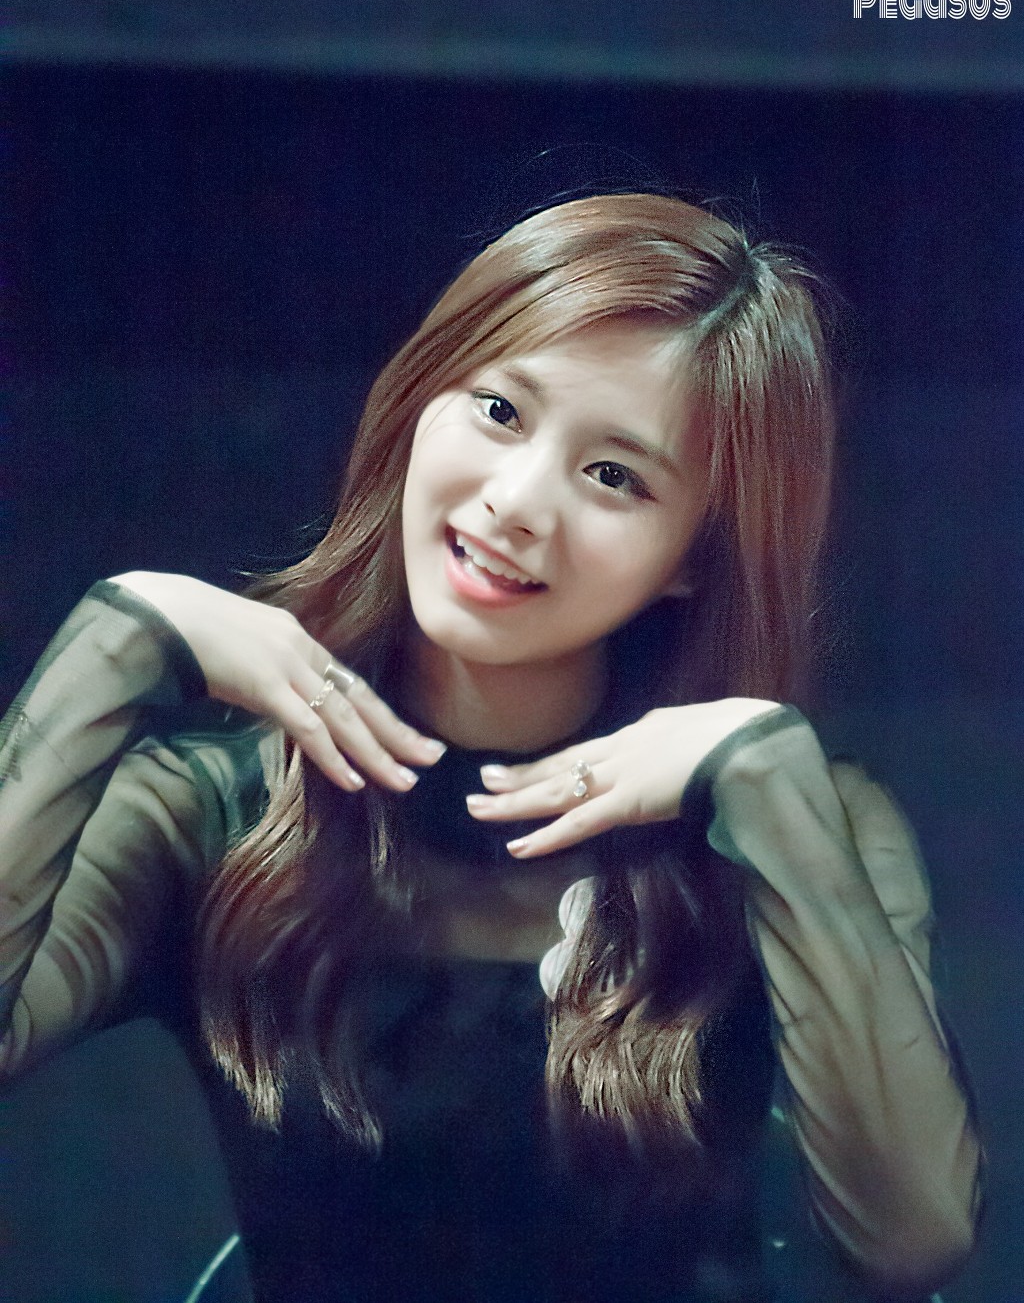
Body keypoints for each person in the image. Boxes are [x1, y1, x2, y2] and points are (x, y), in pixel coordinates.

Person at [0, 193, 981, 1302]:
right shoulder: (212, 815)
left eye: (614, 476)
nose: (516, 503)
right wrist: (123, 637)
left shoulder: (793, 830)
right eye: (501, 410)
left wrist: (767, 784)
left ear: (692, 562)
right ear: (421, 401)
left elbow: (911, 1244)